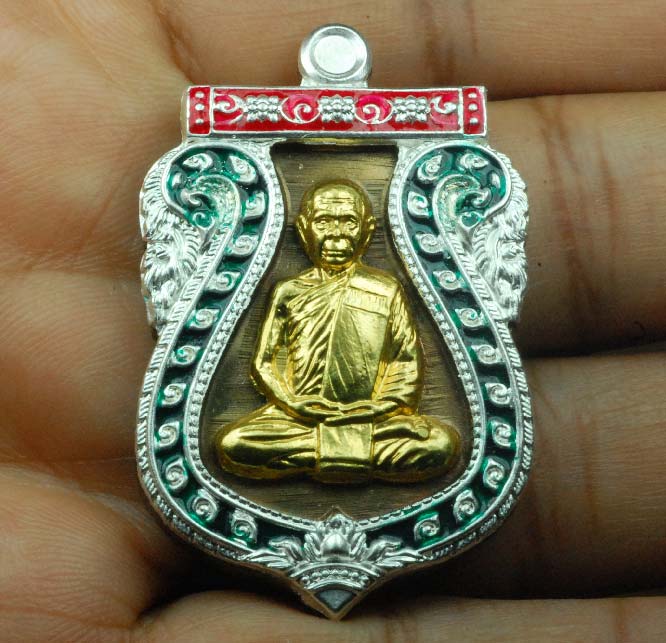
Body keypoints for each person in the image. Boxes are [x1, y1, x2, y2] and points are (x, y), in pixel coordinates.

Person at [215, 181, 460, 482]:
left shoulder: (385, 289)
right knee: (235, 443)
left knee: (439, 444)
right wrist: (292, 404)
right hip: (300, 420)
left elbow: (404, 360)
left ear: (366, 231)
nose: (336, 235)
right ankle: (351, 452)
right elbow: (263, 364)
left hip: (373, 418)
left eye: (348, 222)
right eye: (323, 222)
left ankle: (318, 453)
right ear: (304, 228)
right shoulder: (289, 291)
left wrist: (381, 408)